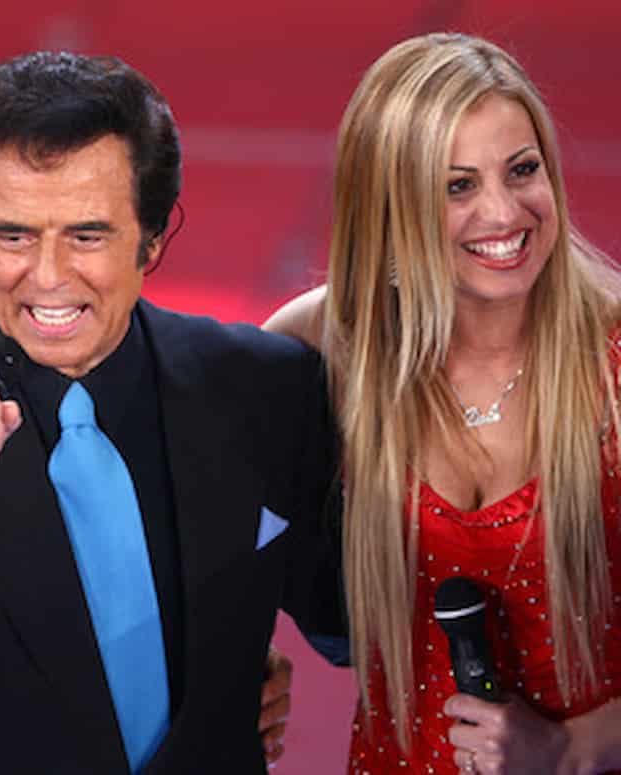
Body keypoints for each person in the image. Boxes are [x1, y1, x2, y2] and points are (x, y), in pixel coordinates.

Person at [0, 51, 343, 774]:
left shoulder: (263, 386)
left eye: (86, 235)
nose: (47, 276)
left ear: (153, 236)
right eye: (14, 235)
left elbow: (348, 622)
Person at [261, 33, 621, 774]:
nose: (504, 212)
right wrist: (241, 658)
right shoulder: (328, 344)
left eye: (522, 170)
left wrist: (569, 747)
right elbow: (199, 519)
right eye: (458, 186)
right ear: (392, 206)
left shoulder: (611, 361)